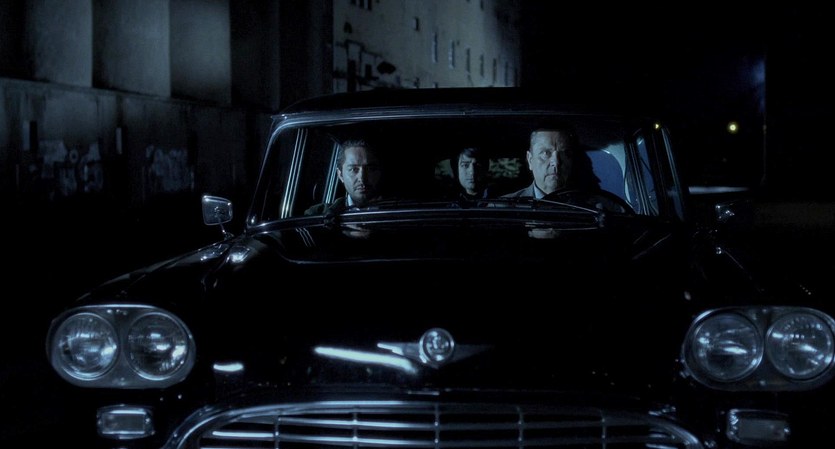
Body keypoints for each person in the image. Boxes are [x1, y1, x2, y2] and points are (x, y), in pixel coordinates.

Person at [502, 123, 598, 199]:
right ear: (530, 160)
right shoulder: (505, 208)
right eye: (546, 153)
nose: (556, 162)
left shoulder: (593, 209)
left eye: (564, 154)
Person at [304, 139, 383, 215]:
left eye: (370, 169)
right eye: (353, 169)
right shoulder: (317, 214)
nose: (362, 178)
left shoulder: (391, 213)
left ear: (380, 172)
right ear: (340, 175)